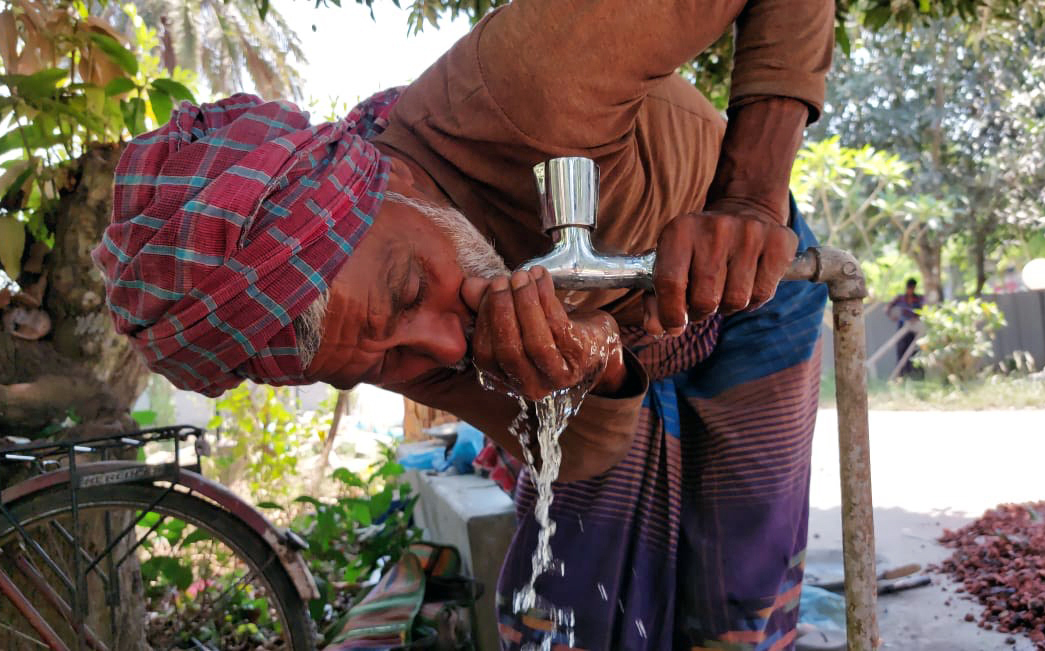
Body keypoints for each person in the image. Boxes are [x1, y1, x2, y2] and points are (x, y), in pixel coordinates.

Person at [93, 1, 834, 648]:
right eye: (378, 364)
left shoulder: (532, 82)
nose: (448, 349)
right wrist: (597, 367)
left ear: (399, 177)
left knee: (740, 585)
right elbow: (581, 452)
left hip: (750, 285)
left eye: (411, 285)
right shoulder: (397, 341)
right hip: (631, 332)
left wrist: (749, 198)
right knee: (570, 596)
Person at [885, 278, 925, 378]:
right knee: (902, 350)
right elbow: (887, 308)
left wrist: (916, 318)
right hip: (903, 327)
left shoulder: (919, 298)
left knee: (915, 351)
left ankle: (916, 376)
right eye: (909, 287)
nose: (911, 290)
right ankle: (901, 375)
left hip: (915, 329)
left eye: (912, 287)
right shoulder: (900, 298)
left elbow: (925, 310)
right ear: (907, 287)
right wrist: (893, 317)